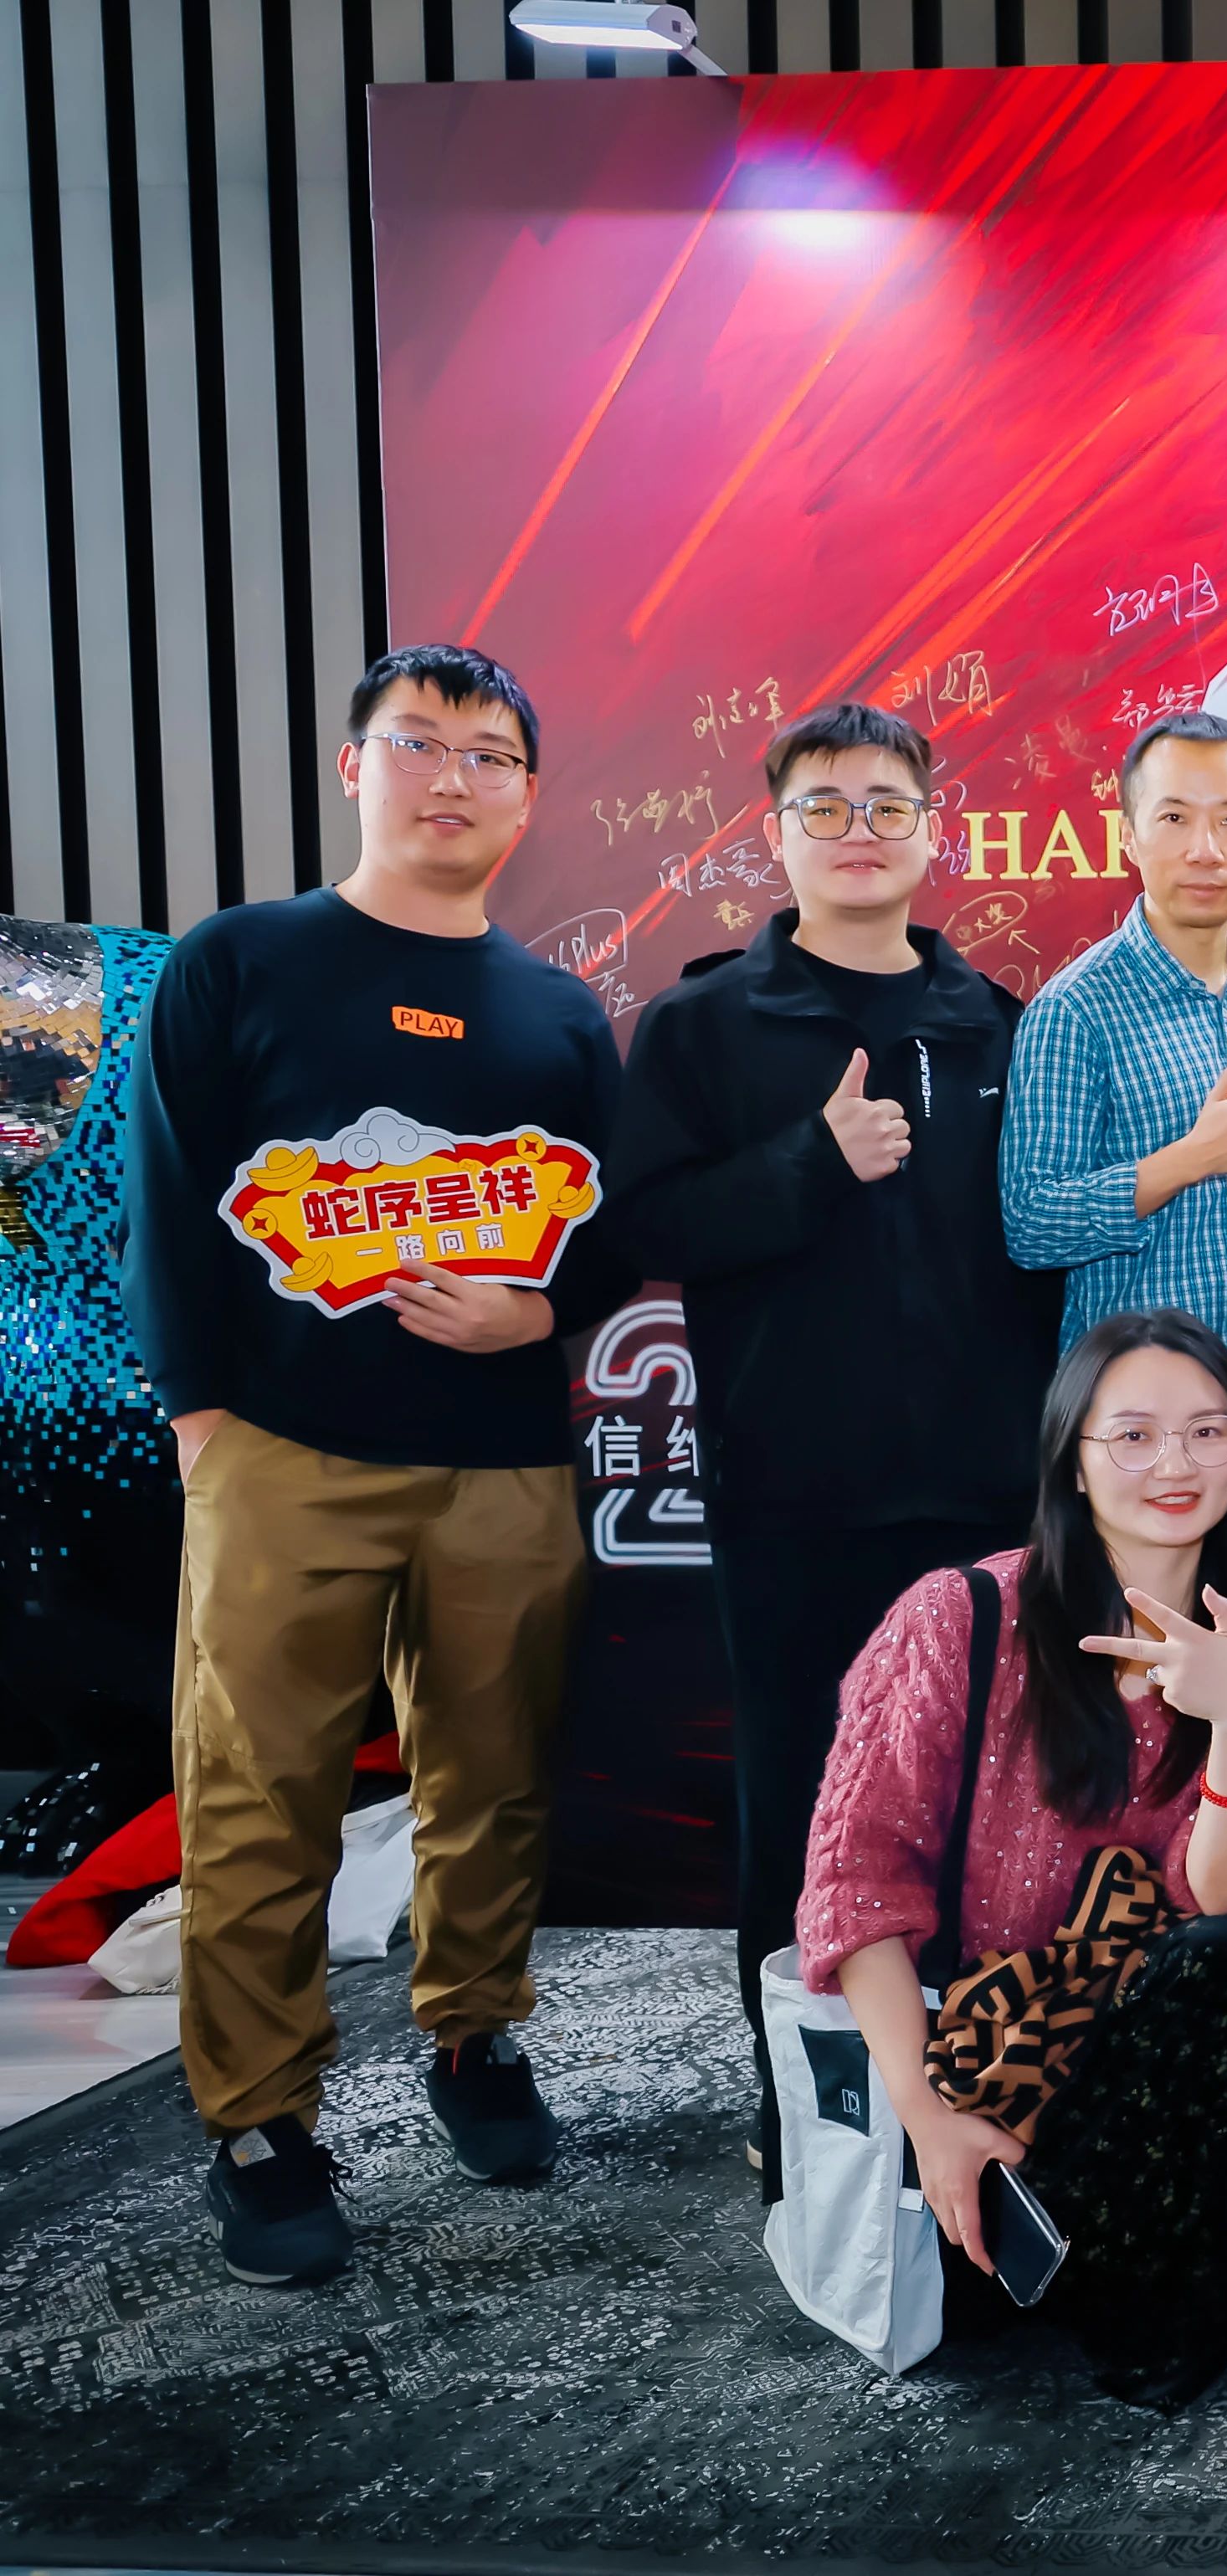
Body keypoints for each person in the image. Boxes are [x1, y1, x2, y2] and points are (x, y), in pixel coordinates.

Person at [120, 644, 633, 2284]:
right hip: (282, 1452)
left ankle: (475, 2029)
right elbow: (163, 1196)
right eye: (420, 743)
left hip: (504, 1466)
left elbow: (616, 1227)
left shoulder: (559, 1011)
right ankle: (261, 2120)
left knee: (492, 1775)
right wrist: (204, 1424)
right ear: (357, 765)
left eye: (490, 756)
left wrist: (539, 1313)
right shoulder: (241, 960)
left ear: (526, 799)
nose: (453, 779)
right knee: (255, 1790)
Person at [613, 699, 1061, 2195]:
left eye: (887, 805)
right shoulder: (700, 1026)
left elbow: (1040, 1253)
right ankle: (807, 2123)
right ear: (776, 833)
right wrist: (811, 1161)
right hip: (792, 1499)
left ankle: (979, 2104)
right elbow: (643, 1223)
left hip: (987, 1497)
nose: (858, 831)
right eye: (825, 806)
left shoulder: (995, 1021)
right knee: (806, 1809)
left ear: (935, 832)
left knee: (985, 1811)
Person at [800, 1309, 1227, 2401]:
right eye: (1132, 1435)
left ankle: (1152, 2304)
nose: (1175, 1464)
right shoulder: (960, 1618)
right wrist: (929, 2119)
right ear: (1071, 1461)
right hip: (978, 2137)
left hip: (1167, 2119)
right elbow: (857, 1886)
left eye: (1208, 1431)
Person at [1001, 709, 1227, 1568]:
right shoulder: (1074, 1010)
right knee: (1136, 1654)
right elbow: (1030, 1223)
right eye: (1174, 817)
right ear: (1129, 834)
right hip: (1140, 1448)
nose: (1204, 849)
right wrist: (1188, 1161)